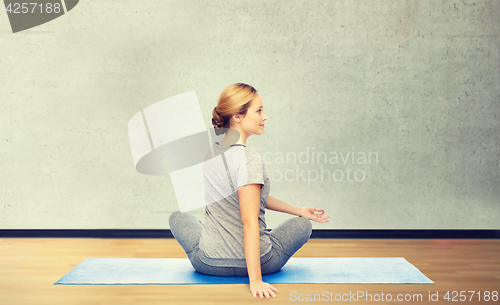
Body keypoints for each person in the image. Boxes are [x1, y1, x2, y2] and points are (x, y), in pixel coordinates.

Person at [169, 83, 330, 299]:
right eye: (259, 110)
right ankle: (242, 251)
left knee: (178, 216)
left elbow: (252, 198)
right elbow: (249, 220)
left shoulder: (211, 154)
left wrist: (297, 209)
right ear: (237, 116)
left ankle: (210, 229)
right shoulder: (250, 159)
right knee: (302, 225)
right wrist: (255, 280)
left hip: (209, 263)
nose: (264, 116)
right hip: (264, 263)